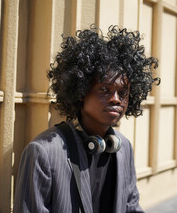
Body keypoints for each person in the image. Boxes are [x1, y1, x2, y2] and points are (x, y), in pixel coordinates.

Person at [13, 25, 159, 213]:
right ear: (81, 91)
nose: (116, 99)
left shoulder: (124, 147)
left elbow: (131, 207)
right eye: (104, 89)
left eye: (123, 92)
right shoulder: (42, 152)